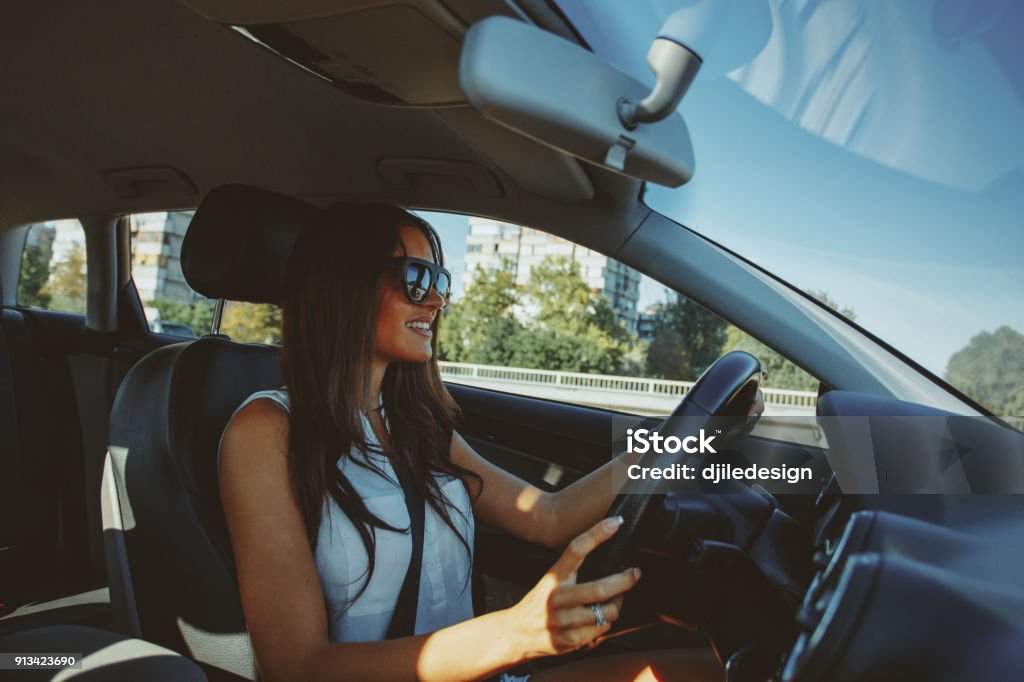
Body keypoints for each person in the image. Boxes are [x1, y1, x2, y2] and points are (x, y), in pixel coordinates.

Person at [218, 204, 726, 682]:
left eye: (440, 282)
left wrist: (675, 442)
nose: (437, 301)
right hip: (489, 662)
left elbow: (545, 517)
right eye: (416, 280)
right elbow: (297, 666)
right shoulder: (267, 431)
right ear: (340, 287)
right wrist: (514, 634)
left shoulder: (416, 424)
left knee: (710, 666)